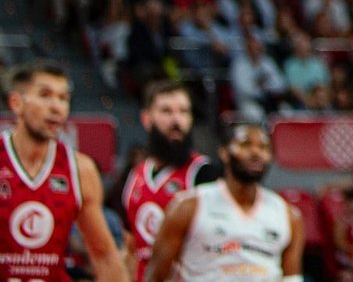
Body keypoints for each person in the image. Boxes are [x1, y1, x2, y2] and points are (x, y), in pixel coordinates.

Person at [0, 60, 127, 282]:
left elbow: (105, 256)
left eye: (63, 98)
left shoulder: (80, 169)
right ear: (16, 103)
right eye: (45, 95)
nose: (57, 107)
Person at [144, 123, 304, 282]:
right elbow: (155, 276)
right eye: (245, 144)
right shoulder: (188, 207)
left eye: (263, 147)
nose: (256, 153)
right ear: (224, 152)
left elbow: (292, 278)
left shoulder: (288, 215)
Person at [118, 81, 221, 281]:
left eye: (183, 112)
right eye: (167, 111)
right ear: (147, 119)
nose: (177, 120)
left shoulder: (205, 173)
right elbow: (130, 249)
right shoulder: (134, 176)